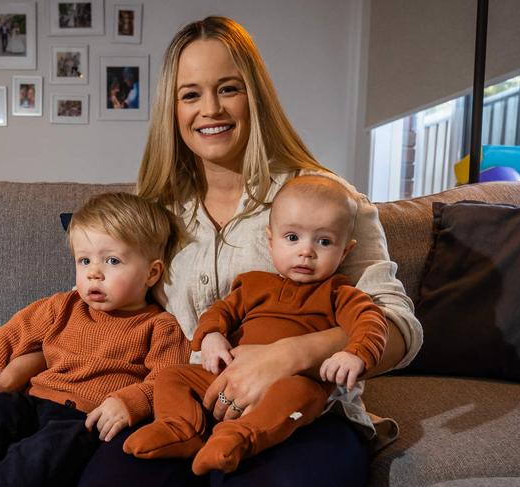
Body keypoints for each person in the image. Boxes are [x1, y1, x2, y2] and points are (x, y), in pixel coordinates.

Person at [77, 16, 422, 487]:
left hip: (303, 413)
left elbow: (399, 325)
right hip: (184, 406)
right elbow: (92, 314)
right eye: (191, 94)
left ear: (254, 96)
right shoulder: (155, 211)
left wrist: (289, 354)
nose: (211, 109)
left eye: (228, 89)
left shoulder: (324, 201)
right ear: (172, 109)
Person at [0, 193, 191, 487]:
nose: (94, 273)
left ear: (152, 274)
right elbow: (6, 340)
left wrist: (130, 401)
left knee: (43, 453)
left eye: (112, 261)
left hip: (85, 420)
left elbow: (167, 380)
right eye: (84, 261)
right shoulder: (61, 306)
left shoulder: (161, 326)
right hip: (32, 402)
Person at [124, 175, 390, 475]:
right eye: (292, 238)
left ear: (345, 251)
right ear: (270, 240)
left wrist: (355, 353)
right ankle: (178, 428)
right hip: (228, 377)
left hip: (296, 382)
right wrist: (210, 335)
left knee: (301, 393)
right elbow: (220, 311)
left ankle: (239, 437)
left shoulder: (340, 294)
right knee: (173, 377)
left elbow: (372, 322)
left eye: (324, 241)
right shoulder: (253, 284)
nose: (306, 251)